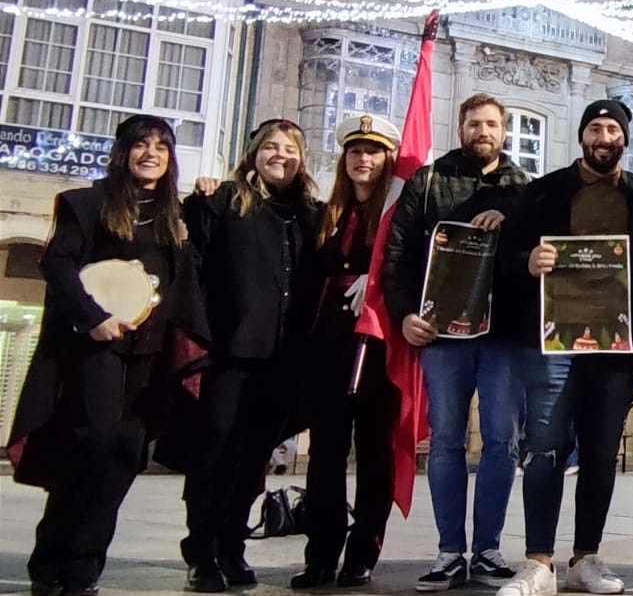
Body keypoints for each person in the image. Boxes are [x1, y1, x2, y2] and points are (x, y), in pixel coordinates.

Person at [7, 116, 207, 596]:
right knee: (92, 445)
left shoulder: (174, 216)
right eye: (141, 144)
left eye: (162, 146)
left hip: (150, 353)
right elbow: (58, 263)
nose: (151, 153)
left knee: (124, 455)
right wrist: (94, 316)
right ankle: (53, 554)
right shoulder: (86, 203)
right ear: (122, 152)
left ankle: (84, 564)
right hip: (96, 345)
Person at [382, 93, 530, 591]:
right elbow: (396, 254)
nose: (482, 132)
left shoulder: (525, 189)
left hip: (504, 336)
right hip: (442, 335)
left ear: (504, 131)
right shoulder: (429, 181)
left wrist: (511, 228)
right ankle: (449, 551)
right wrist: (404, 314)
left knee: (500, 442)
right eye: (474, 124)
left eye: (491, 124)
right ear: (461, 127)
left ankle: (487, 549)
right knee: (444, 441)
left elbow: (538, 261)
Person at [495, 100, 633, 596]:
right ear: (583, 137)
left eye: (613, 129)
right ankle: (539, 560)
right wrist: (528, 261)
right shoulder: (541, 192)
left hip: (617, 345)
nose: (604, 137)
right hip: (553, 340)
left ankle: (586, 557)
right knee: (545, 447)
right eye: (595, 128)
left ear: (624, 139)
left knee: (602, 451)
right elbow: (504, 258)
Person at [180, 119, 323, 592]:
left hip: (283, 360)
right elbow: (191, 263)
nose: (280, 155)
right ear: (254, 154)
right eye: (271, 147)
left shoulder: (311, 214)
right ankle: (202, 551)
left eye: (290, 149)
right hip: (231, 353)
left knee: (251, 460)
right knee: (215, 454)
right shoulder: (223, 202)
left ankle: (231, 546)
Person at [290, 114, 403, 590]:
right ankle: (321, 553)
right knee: (326, 457)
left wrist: (377, 283)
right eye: (356, 150)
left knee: (375, 453)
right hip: (331, 344)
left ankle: (363, 552)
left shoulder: (396, 215)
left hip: (379, 344)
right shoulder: (325, 214)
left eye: (374, 151)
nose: (364, 159)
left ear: (388, 159)